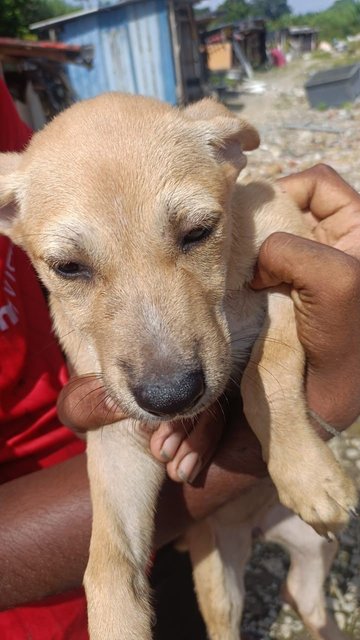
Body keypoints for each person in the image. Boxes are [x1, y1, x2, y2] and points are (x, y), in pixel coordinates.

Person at [1, 75, 360, 636]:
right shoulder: (21, 191)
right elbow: (115, 440)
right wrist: (111, 578)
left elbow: (297, 298)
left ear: (228, 152)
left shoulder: (249, 201)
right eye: (72, 267)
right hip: (181, 520)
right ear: (10, 221)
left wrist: (287, 413)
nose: (163, 368)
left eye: (194, 233)